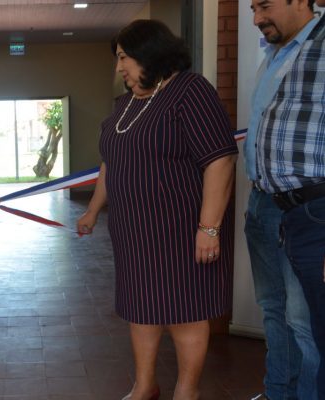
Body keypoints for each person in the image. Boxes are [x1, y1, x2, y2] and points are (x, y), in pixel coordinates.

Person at [77, 19, 237, 400]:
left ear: (149, 52)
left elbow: (221, 160)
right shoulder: (127, 102)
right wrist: (94, 209)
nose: (120, 68)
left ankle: (187, 391)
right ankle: (145, 385)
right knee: (141, 309)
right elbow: (109, 162)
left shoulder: (190, 91)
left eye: (123, 58)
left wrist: (209, 227)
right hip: (134, 231)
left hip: (180, 228)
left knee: (185, 312)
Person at [248, 0, 325, 397]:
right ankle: (278, 390)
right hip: (263, 203)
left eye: (265, 5)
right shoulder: (273, 56)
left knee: (305, 323)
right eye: (252, 8)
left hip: (310, 210)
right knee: (273, 311)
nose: (258, 18)